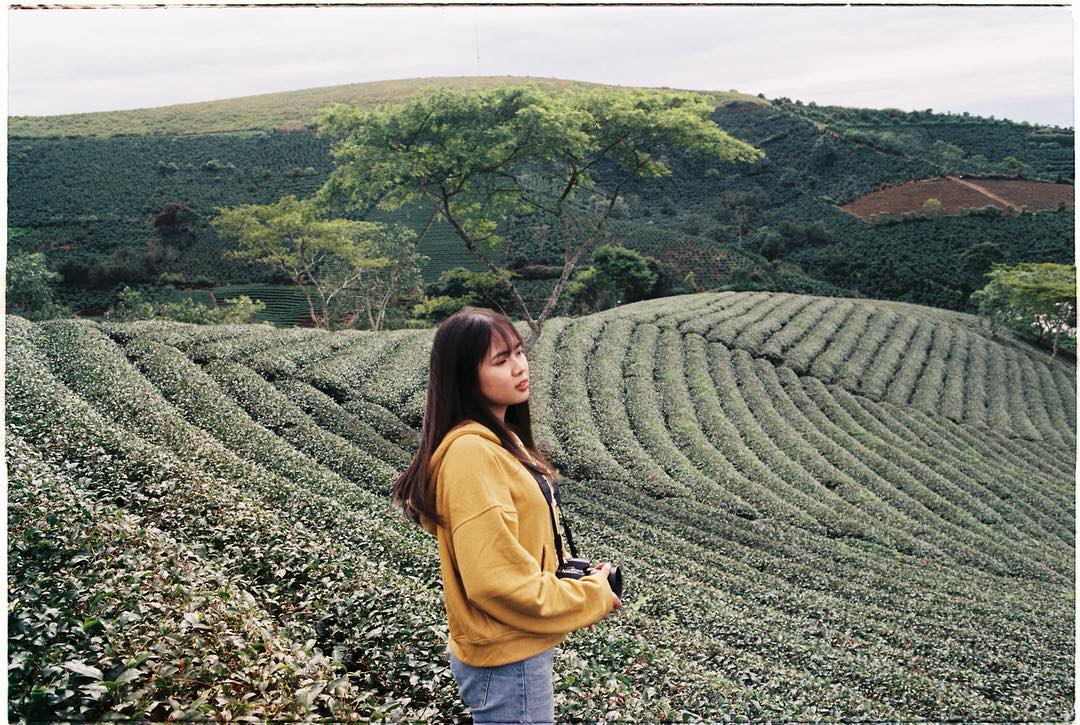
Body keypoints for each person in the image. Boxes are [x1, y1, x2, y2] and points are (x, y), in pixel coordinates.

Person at [392, 306, 622, 724]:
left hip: (516, 651)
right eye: (501, 361)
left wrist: (571, 578)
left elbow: (517, 548)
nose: (520, 367)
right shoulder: (471, 454)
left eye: (518, 352)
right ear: (466, 378)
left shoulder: (501, 440)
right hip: (507, 661)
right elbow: (496, 583)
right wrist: (592, 596)